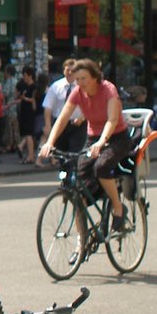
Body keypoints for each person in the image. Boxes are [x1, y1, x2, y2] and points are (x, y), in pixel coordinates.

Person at [38, 59, 132, 232]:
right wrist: (49, 142)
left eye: (83, 78)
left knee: (102, 166)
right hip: (93, 137)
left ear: (95, 77)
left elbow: (112, 119)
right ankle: (82, 240)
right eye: (77, 79)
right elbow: (63, 117)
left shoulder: (108, 89)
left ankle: (118, 208)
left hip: (116, 138)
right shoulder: (77, 92)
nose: (79, 83)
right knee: (78, 185)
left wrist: (102, 141)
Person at [42, 58, 85, 154]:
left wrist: (82, 118)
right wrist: (48, 125)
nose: (70, 73)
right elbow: (48, 107)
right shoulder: (56, 86)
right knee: (61, 154)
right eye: (67, 70)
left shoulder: (82, 87)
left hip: (77, 125)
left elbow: (90, 105)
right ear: (63, 71)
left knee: (74, 153)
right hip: (60, 124)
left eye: (72, 70)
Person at [15, 66, 40, 165]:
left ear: (30, 76)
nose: (24, 77)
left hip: (30, 112)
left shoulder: (34, 87)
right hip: (24, 111)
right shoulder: (25, 86)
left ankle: (31, 156)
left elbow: (34, 101)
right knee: (27, 134)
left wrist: (25, 98)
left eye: (25, 75)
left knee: (29, 134)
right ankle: (30, 155)